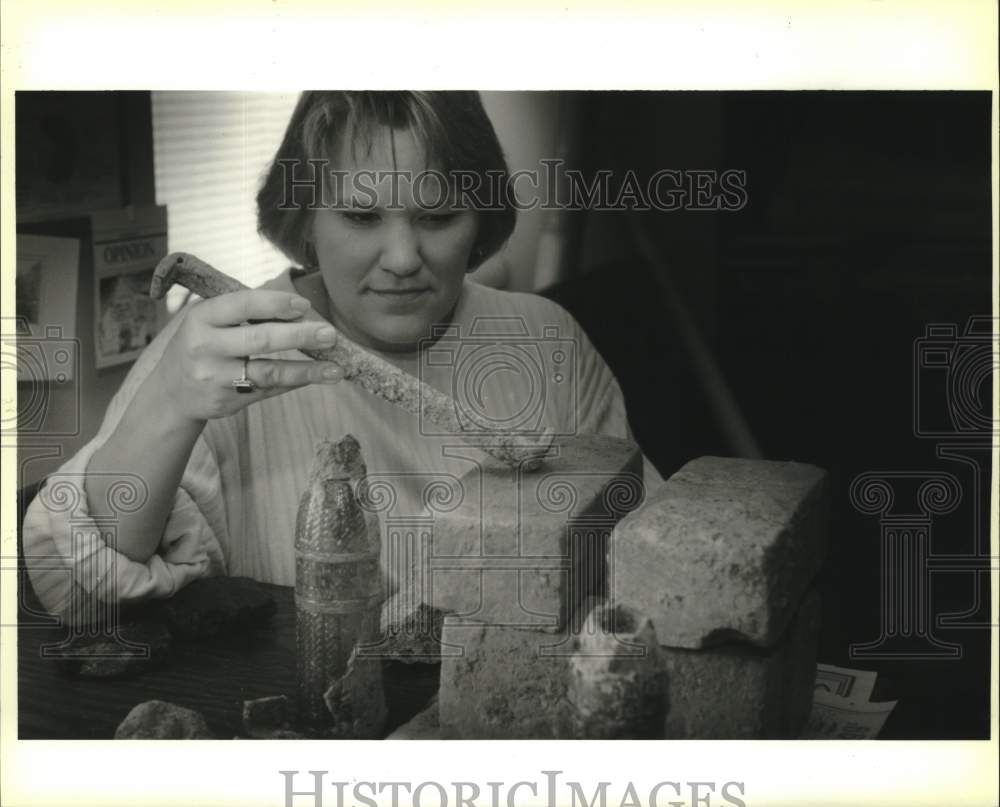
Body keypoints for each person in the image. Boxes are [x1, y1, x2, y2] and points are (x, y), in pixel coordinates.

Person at [23, 91, 660, 628]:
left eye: (438, 215)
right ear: (305, 221)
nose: (405, 256)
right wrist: (164, 408)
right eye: (361, 214)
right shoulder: (225, 349)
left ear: (481, 218)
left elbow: (643, 563)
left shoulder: (545, 338)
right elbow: (73, 596)